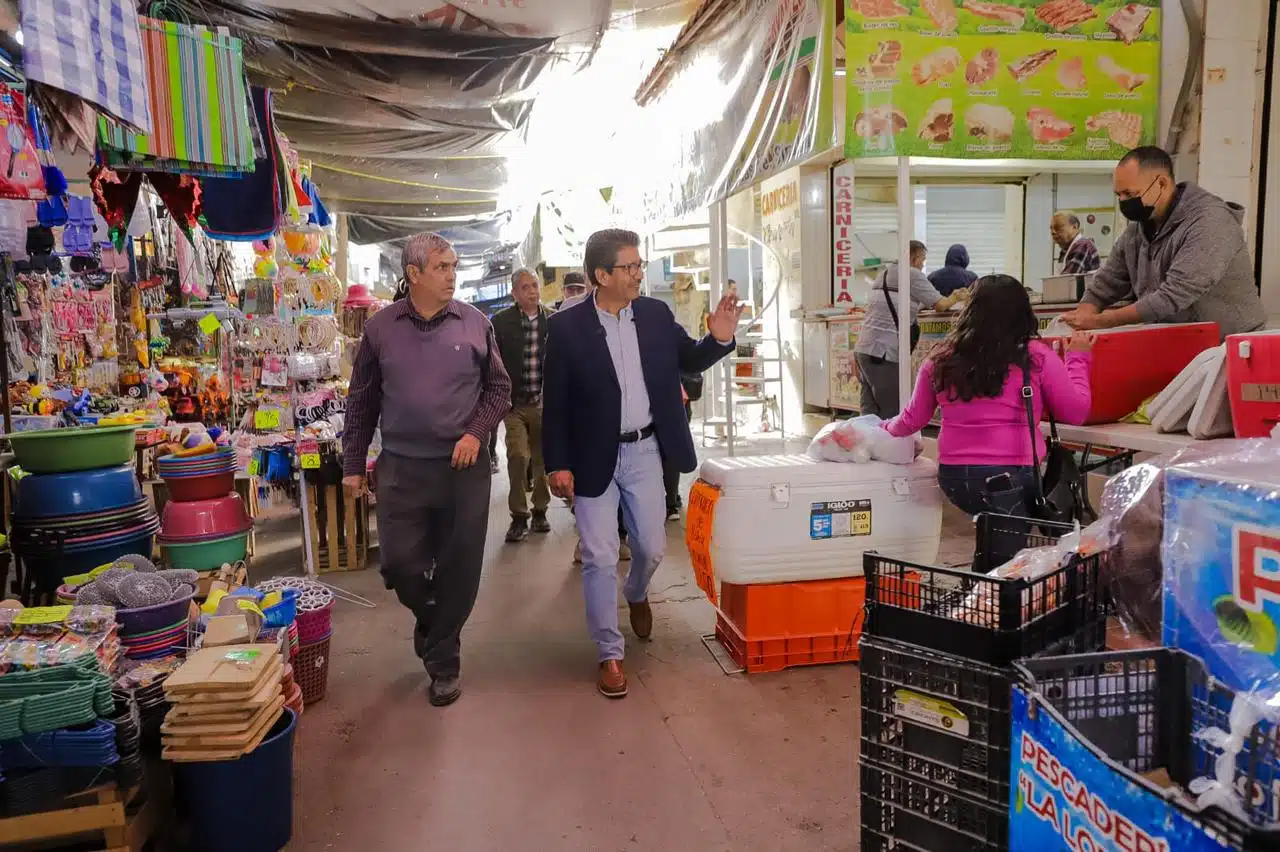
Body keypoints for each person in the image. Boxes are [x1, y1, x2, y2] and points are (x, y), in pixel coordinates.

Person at [543, 228, 740, 699]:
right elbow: (557, 404)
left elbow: (689, 356)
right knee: (598, 555)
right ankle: (609, 653)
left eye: (639, 265)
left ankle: (635, 593)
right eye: (629, 267)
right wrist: (557, 463)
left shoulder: (654, 315)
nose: (638, 274)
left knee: (651, 548)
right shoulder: (567, 328)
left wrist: (718, 339)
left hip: (646, 451)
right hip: (592, 455)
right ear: (601, 275)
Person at [342, 232, 512, 707]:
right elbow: (361, 403)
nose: (452, 275)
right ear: (412, 274)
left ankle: (443, 660)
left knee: (461, 566)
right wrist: (354, 463)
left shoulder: (476, 323)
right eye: (441, 267)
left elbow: (499, 391)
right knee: (399, 565)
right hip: (401, 469)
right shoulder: (380, 330)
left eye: (454, 266)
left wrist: (475, 433)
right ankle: (434, 619)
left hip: (463, 469)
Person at [882, 275, 1094, 563]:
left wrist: (882, 428)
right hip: (1010, 480)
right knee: (1002, 568)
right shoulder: (1035, 357)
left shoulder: (940, 359)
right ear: (1023, 313)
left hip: (956, 480)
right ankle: (988, 600)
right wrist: (1078, 359)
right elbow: (1076, 412)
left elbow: (912, 419)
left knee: (994, 548)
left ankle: (981, 594)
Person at [1061, 146, 1266, 338]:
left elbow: (1173, 295)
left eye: (1130, 194)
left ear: (1162, 184)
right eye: (1119, 195)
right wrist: (1083, 316)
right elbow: (1108, 282)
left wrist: (1103, 322)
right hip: (1180, 345)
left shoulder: (1211, 222)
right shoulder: (1138, 229)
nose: (1124, 202)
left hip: (1232, 348)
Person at [853, 240, 964, 418]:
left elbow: (905, 305)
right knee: (891, 413)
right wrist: (956, 296)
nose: (923, 264)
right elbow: (941, 305)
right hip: (884, 354)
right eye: (922, 259)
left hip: (864, 350)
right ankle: (890, 446)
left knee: (869, 413)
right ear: (913, 258)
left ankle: (868, 445)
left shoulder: (885, 273)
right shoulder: (910, 274)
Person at [491, 268, 552, 542]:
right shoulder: (501, 323)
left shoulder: (552, 320)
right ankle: (519, 516)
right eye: (525, 287)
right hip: (514, 404)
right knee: (518, 457)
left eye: (535, 285)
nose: (532, 291)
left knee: (542, 460)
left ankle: (540, 510)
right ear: (514, 293)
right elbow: (494, 362)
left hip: (543, 402)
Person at [662, 372, 701, 520]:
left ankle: (670, 502)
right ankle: (671, 503)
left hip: (666, 403)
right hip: (679, 404)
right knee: (670, 455)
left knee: (664, 455)